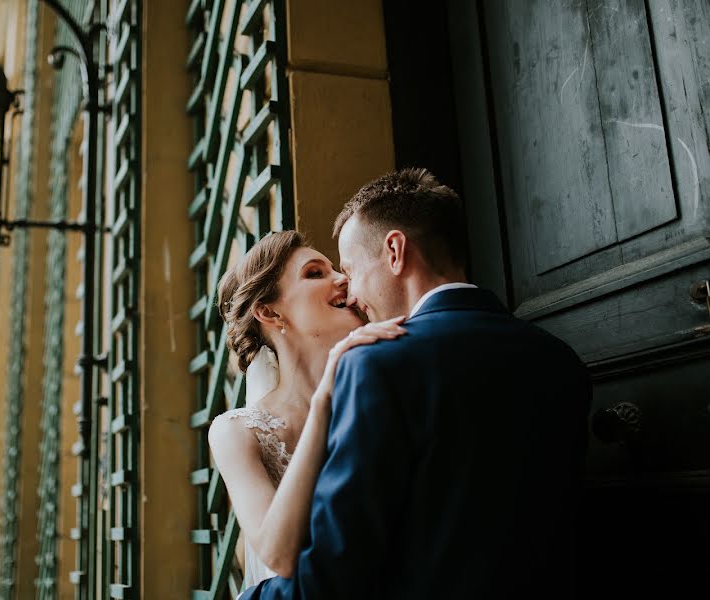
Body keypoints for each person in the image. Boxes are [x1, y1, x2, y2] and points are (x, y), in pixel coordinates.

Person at [237, 167, 593, 599]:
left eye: (349, 268)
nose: (350, 292)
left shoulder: (378, 365)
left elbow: (336, 567)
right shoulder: (559, 358)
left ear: (394, 251)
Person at [209, 230, 407, 588]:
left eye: (336, 269)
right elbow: (279, 554)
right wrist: (323, 403)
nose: (343, 279)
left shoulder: (382, 391)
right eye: (316, 273)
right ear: (269, 311)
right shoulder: (236, 433)